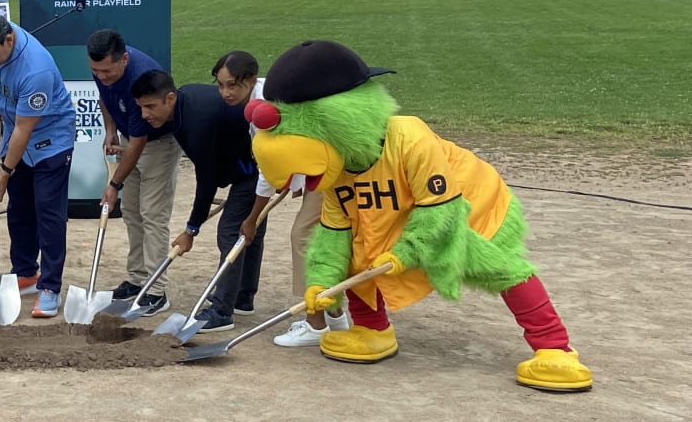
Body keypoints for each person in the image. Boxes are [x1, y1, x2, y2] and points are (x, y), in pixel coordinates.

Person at [247, 40, 592, 391]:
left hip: (468, 204)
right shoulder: (337, 171)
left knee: (494, 264)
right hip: (396, 212)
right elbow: (335, 233)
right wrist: (321, 281)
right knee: (355, 254)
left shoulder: (409, 137)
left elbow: (439, 209)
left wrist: (407, 253)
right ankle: (372, 330)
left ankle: (555, 347)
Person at [211, 51, 349, 345]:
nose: (225, 92)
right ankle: (336, 317)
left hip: (335, 164)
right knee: (322, 240)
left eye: (232, 85)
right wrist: (298, 177)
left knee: (303, 238)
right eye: (220, 85)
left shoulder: (266, 110)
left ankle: (316, 324)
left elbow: (266, 173)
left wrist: (250, 220)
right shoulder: (266, 91)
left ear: (249, 81)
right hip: (323, 162)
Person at [130, 69, 261, 332]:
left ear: (169, 98)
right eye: (141, 107)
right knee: (249, 231)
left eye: (150, 107)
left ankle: (222, 310)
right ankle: (243, 298)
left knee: (232, 231)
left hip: (255, 168)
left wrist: (192, 229)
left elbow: (207, 180)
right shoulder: (183, 103)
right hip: (243, 162)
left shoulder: (197, 119)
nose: (145, 115)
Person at [0, 12, 76, 319]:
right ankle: (26, 273)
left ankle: (50, 287)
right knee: (19, 210)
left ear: (9, 40)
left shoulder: (35, 70)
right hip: (16, 132)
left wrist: (4, 172)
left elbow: (24, 129)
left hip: (49, 140)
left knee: (49, 213)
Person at [86, 29, 177, 313]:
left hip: (157, 143)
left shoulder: (142, 77)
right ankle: (138, 280)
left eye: (107, 71)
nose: (101, 76)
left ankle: (157, 290)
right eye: (95, 71)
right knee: (132, 213)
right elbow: (104, 97)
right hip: (129, 138)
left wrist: (113, 184)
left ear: (124, 59)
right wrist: (110, 130)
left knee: (153, 215)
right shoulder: (102, 69)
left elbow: (139, 144)